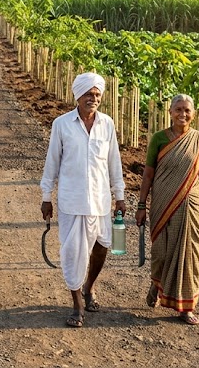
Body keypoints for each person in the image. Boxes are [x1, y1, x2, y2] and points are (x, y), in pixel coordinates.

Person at [40, 72, 125, 328]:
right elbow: (52, 162)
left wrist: (119, 195)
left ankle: (89, 286)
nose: (93, 98)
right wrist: (46, 196)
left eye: (97, 95)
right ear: (78, 96)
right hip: (71, 201)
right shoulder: (62, 124)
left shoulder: (107, 124)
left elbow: (114, 163)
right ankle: (77, 304)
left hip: (100, 201)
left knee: (102, 245)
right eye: (89, 94)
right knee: (74, 252)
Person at [135, 94, 199, 326]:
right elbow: (148, 174)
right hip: (162, 202)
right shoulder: (159, 139)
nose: (183, 114)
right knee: (161, 252)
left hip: (191, 204)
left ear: (194, 114)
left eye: (187, 110)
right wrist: (141, 204)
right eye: (178, 109)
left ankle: (186, 306)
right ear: (170, 112)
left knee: (189, 253)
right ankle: (157, 283)